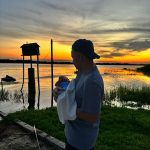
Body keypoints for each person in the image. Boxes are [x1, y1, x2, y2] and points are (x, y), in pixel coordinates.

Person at [54, 39, 104, 150]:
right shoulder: (83, 72)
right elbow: (79, 91)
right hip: (72, 135)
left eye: (73, 57)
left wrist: (68, 107)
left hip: (81, 143)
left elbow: (92, 117)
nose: (72, 61)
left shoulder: (93, 82)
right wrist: (66, 84)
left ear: (80, 57)